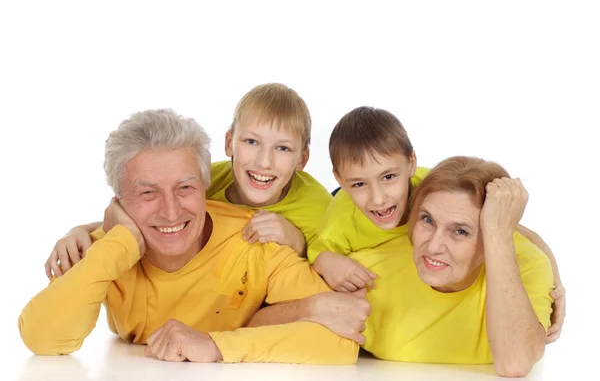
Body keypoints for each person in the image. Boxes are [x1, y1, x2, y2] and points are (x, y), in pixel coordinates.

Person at [18, 109, 361, 364]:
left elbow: (342, 339)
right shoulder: (108, 247)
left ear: (206, 186)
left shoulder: (257, 241)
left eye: (185, 187)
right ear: (118, 200)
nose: (170, 211)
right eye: (148, 193)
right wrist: (118, 246)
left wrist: (214, 346)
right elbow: (42, 337)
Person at [306, 106, 565, 342]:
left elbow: (518, 232)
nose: (378, 198)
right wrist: (327, 260)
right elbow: (312, 254)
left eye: (388, 177)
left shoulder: (431, 191)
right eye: (359, 184)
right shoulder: (340, 220)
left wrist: (556, 283)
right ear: (340, 178)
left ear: (411, 164)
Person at [44, 83, 331, 280]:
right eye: (252, 141)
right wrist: (79, 231)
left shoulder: (318, 208)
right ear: (230, 143)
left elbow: (338, 272)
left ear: (302, 160)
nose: (264, 162)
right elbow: (157, 216)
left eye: (283, 148)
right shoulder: (208, 179)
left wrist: (299, 243)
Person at [351, 156, 554, 376]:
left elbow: (515, 363)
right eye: (427, 220)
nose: (434, 246)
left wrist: (498, 235)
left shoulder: (528, 266)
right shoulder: (364, 271)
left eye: (460, 231)